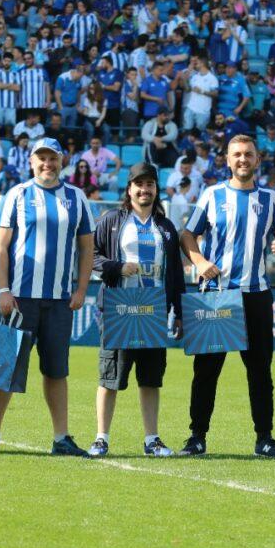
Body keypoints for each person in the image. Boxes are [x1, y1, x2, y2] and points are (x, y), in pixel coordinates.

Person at [179, 134, 275, 458]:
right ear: (228, 160)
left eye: (248, 154)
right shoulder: (212, 194)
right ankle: (197, 437)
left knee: (259, 371)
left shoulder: (271, 198)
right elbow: (187, 234)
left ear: (257, 159)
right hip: (217, 294)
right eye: (237, 155)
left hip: (256, 295)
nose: (243, 159)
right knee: (206, 371)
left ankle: (265, 439)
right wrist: (200, 261)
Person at [0, 138, 95, 456]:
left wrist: (81, 289)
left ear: (62, 161)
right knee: (4, 368)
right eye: (41, 158)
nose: (47, 163)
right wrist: (3, 290)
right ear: (31, 161)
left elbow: (87, 248)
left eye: (52, 158)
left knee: (57, 371)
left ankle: (61, 438)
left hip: (59, 301)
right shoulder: (16, 194)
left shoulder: (77, 197)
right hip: (19, 299)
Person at [88, 162, 185, 457]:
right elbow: (90, 256)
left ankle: (152, 440)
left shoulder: (166, 228)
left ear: (156, 189)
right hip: (119, 309)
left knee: (151, 379)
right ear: (129, 189)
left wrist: (179, 312)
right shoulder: (112, 220)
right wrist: (117, 267)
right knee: (110, 377)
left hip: (154, 311)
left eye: (150, 184)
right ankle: (101, 438)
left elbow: (176, 273)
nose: (145, 190)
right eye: (139, 184)